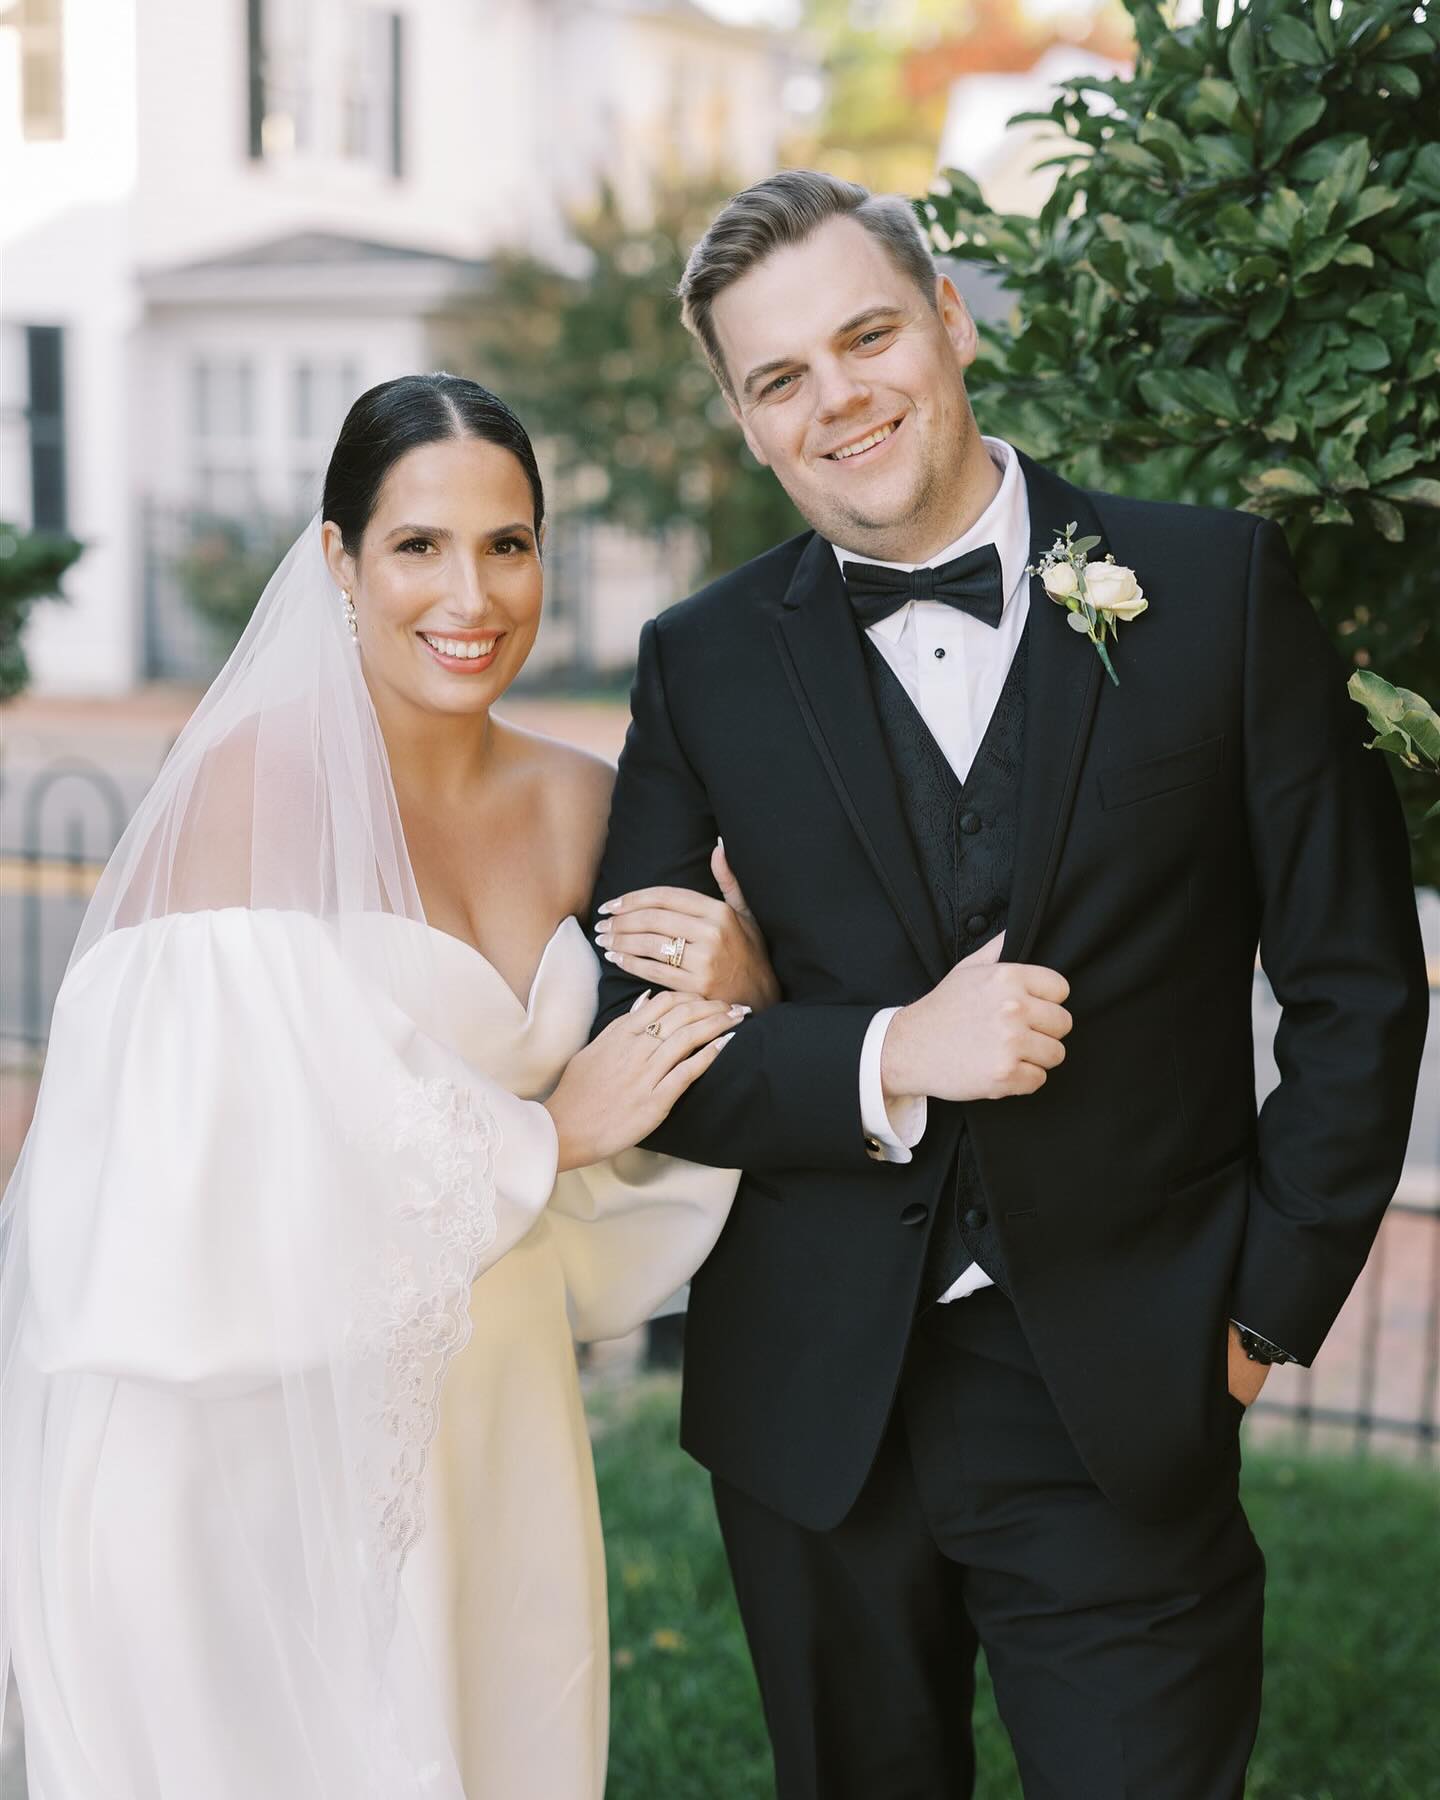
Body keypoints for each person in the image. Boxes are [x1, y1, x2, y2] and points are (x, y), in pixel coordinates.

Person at [589, 171, 1430, 1797]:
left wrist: (1265, 1306)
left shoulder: (1216, 593)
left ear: (951, 322)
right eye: (779, 379)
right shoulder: (700, 662)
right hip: (810, 1414)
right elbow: (641, 1040)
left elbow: (1356, 983)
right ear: (746, 423)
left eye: (866, 336)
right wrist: (889, 1054)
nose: (837, 399)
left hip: (1132, 1386)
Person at [0, 374, 777, 1800]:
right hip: (234, 1447)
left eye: (508, 543)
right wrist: (541, 1137)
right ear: (336, 563)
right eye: (418, 545)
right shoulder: (244, 795)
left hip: (493, 1417)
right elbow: (186, 1187)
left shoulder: (585, 806)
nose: (470, 593)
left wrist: (742, 989)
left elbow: (654, 1106)